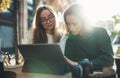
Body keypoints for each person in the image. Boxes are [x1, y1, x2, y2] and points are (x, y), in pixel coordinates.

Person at [63, 3, 116, 78]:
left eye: (75, 24)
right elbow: (70, 63)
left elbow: (108, 58)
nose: (71, 28)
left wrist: (81, 64)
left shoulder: (100, 33)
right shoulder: (70, 39)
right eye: (68, 24)